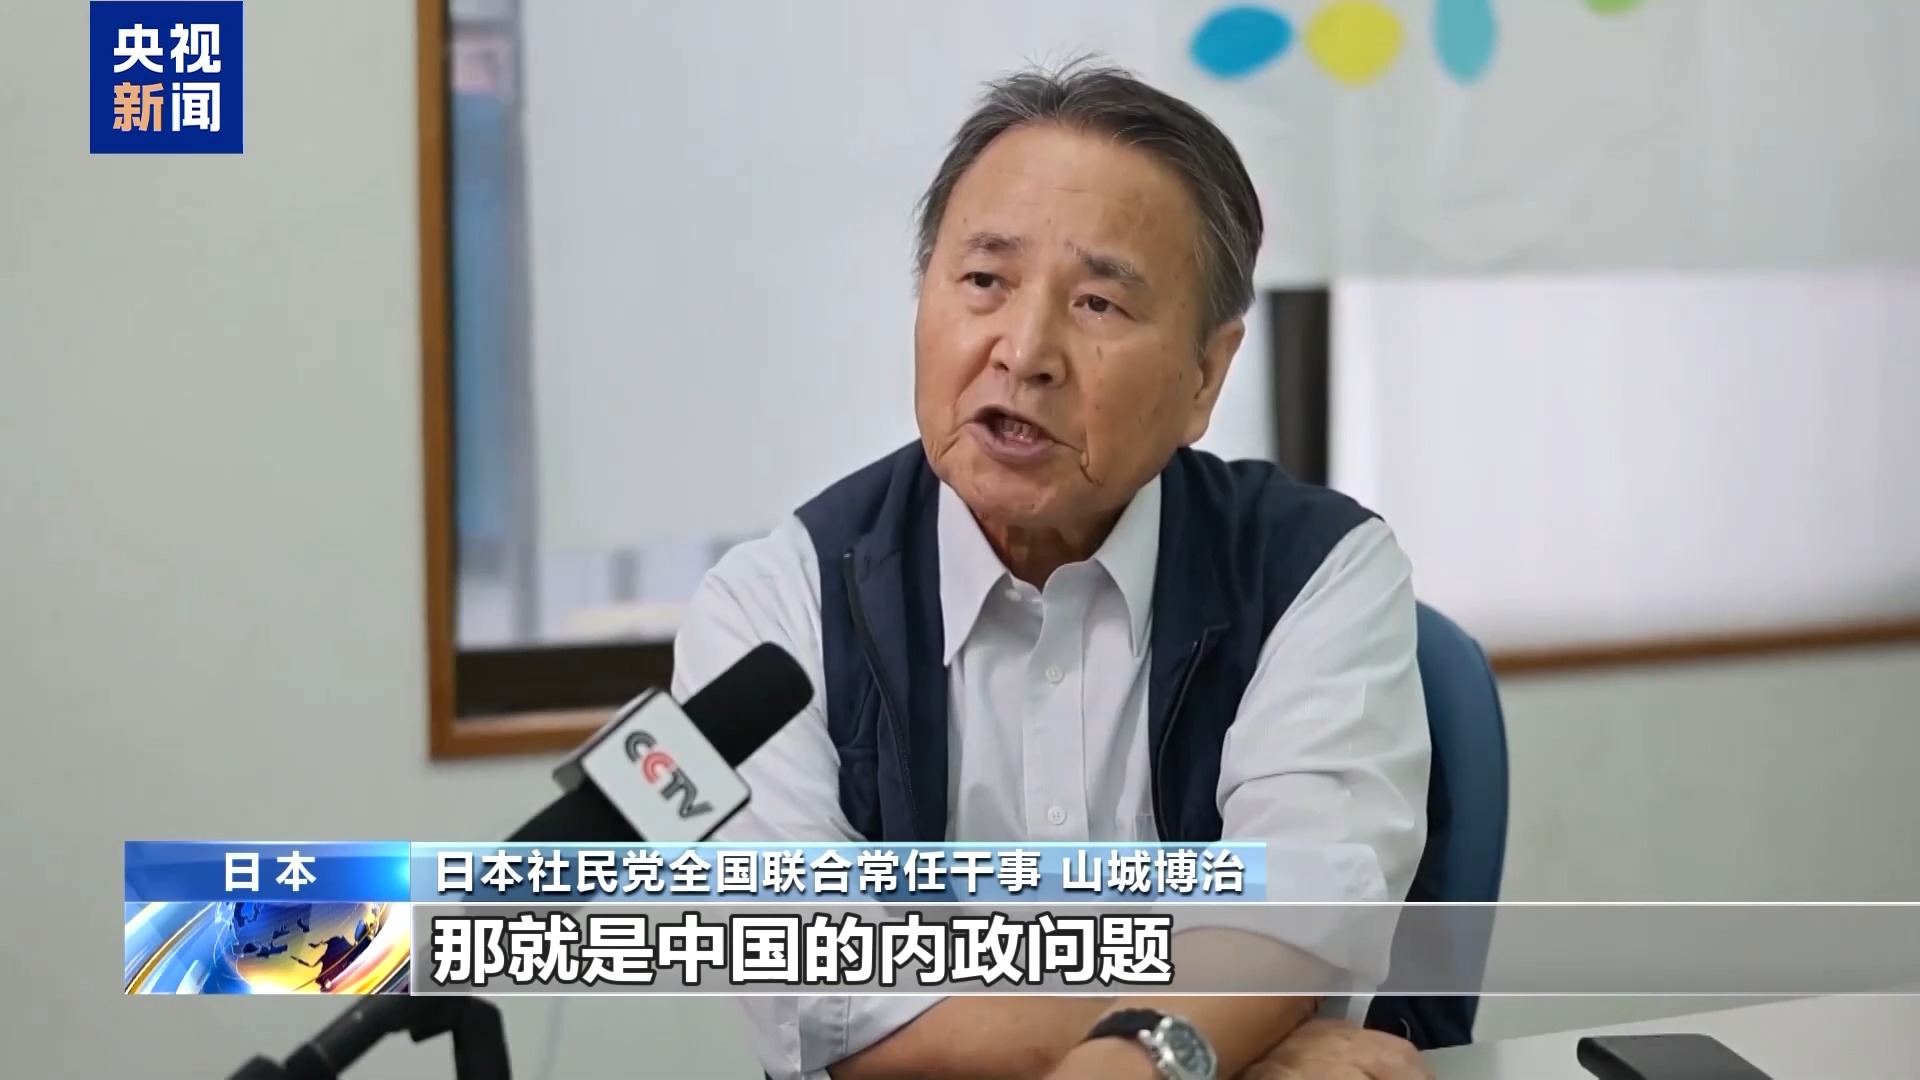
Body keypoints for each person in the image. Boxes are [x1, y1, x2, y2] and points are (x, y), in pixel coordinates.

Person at [671, 59, 1433, 1080]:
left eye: (1099, 304)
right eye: (985, 281)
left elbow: (1299, 912)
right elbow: (824, 1006)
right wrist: (1204, 1036)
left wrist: (1171, 1034)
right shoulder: (771, 610)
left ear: (1205, 375)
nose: (1024, 350)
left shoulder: (1316, 573)